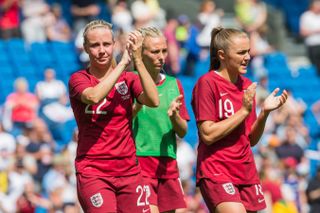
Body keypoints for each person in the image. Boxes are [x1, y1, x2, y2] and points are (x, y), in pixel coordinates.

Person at [191, 27, 288, 213]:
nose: (248, 57)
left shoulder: (246, 85)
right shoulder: (207, 83)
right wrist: (243, 111)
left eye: (248, 51)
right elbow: (208, 134)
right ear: (222, 55)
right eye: (241, 52)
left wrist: (264, 113)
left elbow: (251, 139)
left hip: (246, 171)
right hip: (216, 169)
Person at [68, 20, 159, 212]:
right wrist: (124, 63)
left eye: (106, 44)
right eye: (94, 45)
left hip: (129, 171)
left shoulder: (129, 78)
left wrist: (138, 61)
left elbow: (153, 100)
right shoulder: (78, 79)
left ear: (114, 44)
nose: (102, 50)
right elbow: (93, 96)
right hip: (94, 171)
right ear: (85, 48)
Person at [132, 27, 189, 212]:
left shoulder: (174, 84)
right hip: (139, 162)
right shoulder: (128, 81)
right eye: (155, 51)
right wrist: (136, 107)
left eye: (164, 51)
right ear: (141, 53)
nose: (161, 56)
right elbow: (118, 123)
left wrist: (174, 117)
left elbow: (182, 131)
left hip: (168, 164)